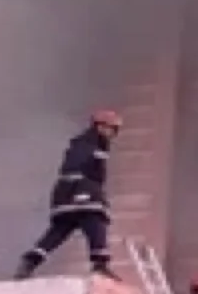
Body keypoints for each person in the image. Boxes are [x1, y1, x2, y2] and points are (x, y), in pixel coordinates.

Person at [13, 109, 123, 280]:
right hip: (81, 190)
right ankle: (100, 265)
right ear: (100, 126)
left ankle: (30, 260)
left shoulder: (87, 142)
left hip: (65, 194)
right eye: (112, 128)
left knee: (60, 230)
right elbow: (84, 167)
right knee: (95, 220)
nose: (113, 134)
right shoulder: (90, 142)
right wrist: (82, 190)